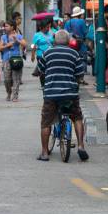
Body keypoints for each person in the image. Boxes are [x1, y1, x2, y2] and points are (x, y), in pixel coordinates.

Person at [37, 29, 88, 162]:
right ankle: (81, 146)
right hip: (70, 93)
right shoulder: (74, 54)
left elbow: (40, 70)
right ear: (67, 41)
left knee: (46, 122)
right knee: (77, 117)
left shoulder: (47, 53)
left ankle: (44, 153)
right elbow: (79, 74)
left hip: (51, 93)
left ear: (55, 41)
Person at [0, 20, 26, 101]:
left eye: (7, 26)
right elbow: (0, 48)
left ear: (12, 27)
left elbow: (25, 44)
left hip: (16, 59)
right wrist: (8, 45)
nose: (5, 27)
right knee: (7, 79)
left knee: (16, 78)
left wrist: (17, 40)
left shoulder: (18, 36)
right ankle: (9, 92)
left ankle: (15, 96)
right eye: (5, 26)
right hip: (6, 59)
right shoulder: (3, 37)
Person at [64, 6, 88, 85]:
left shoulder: (68, 22)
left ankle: (72, 77)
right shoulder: (82, 22)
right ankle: (81, 78)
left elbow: (65, 33)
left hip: (70, 45)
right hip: (81, 45)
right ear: (80, 14)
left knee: (71, 61)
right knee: (82, 60)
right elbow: (85, 33)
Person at [31, 20, 54, 87]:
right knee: (42, 70)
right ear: (41, 27)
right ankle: (43, 84)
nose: (47, 29)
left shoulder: (51, 34)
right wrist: (32, 55)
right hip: (40, 55)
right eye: (46, 27)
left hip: (50, 54)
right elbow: (33, 45)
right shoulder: (37, 35)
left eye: (48, 27)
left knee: (49, 69)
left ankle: (48, 82)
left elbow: (53, 42)